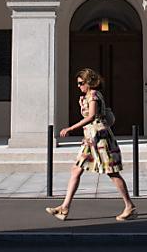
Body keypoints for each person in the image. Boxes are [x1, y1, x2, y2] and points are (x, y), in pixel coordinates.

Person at [45, 68, 137, 221]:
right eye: (78, 83)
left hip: (100, 139)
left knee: (112, 172)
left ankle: (129, 206)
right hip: (90, 139)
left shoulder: (93, 95)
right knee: (76, 170)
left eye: (81, 83)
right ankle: (64, 207)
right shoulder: (87, 96)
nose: (79, 86)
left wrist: (70, 128)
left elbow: (92, 116)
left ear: (89, 82)